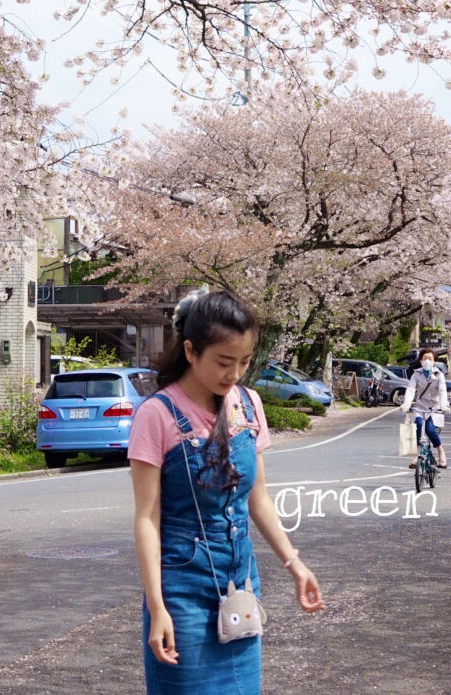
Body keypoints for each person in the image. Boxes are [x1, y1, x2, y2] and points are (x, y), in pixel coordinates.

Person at [129, 289, 325, 694]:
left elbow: (259, 497)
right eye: (223, 361)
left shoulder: (249, 406)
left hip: (240, 583)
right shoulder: (156, 415)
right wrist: (157, 607)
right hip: (180, 590)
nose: (234, 374)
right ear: (190, 350)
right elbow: (147, 518)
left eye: (244, 362)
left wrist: (295, 565)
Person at [401, 348, 449, 470]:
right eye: (425, 358)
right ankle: (417, 455)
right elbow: (411, 389)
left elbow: (443, 391)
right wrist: (406, 403)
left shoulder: (439, 375)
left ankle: (440, 451)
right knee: (418, 425)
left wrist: (444, 405)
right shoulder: (416, 374)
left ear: (434, 361)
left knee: (430, 430)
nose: (427, 360)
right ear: (421, 360)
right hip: (420, 406)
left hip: (434, 408)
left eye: (430, 358)